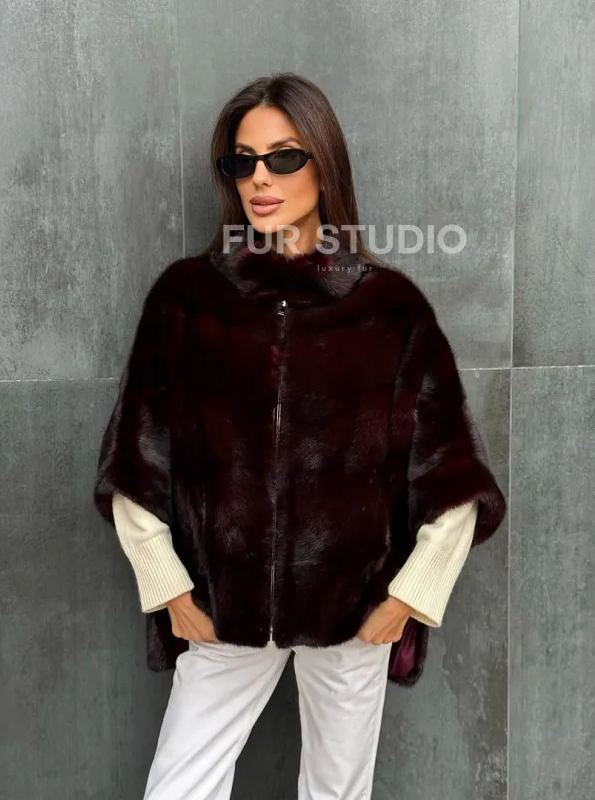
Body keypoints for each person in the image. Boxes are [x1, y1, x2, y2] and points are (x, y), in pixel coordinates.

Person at [93, 73, 506, 800]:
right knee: (178, 788)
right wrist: (169, 587)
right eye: (242, 161)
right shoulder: (186, 300)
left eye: (283, 157)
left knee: (337, 793)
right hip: (221, 607)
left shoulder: (388, 307)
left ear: (324, 163)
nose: (260, 178)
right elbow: (136, 457)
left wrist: (407, 598)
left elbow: (454, 474)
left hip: (355, 611)